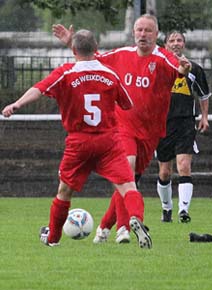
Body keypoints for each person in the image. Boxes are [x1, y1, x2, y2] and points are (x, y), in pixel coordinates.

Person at [2, 29, 152, 249]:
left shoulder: (66, 73)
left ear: (73, 50)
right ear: (96, 48)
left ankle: (52, 238)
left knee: (64, 191)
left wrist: (16, 104)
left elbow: (38, 89)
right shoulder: (110, 74)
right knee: (127, 185)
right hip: (108, 141)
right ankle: (136, 218)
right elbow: (127, 104)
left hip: (79, 142)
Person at [52, 14, 191, 244]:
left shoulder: (162, 57)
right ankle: (124, 228)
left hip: (150, 133)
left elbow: (178, 69)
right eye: (139, 30)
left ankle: (104, 228)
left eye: (147, 31)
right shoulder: (121, 54)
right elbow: (91, 56)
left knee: (129, 183)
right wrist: (70, 42)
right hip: (121, 127)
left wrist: (184, 69)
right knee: (128, 170)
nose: (142, 35)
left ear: (156, 35)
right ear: (133, 33)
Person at [156, 31, 211, 223]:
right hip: (162, 124)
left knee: (184, 166)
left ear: (184, 45)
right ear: (165, 45)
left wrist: (204, 117)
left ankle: (183, 211)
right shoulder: (159, 67)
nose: (176, 43)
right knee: (164, 172)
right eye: (172, 40)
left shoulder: (194, 69)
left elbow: (204, 95)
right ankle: (166, 208)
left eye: (179, 40)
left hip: (186, 123)